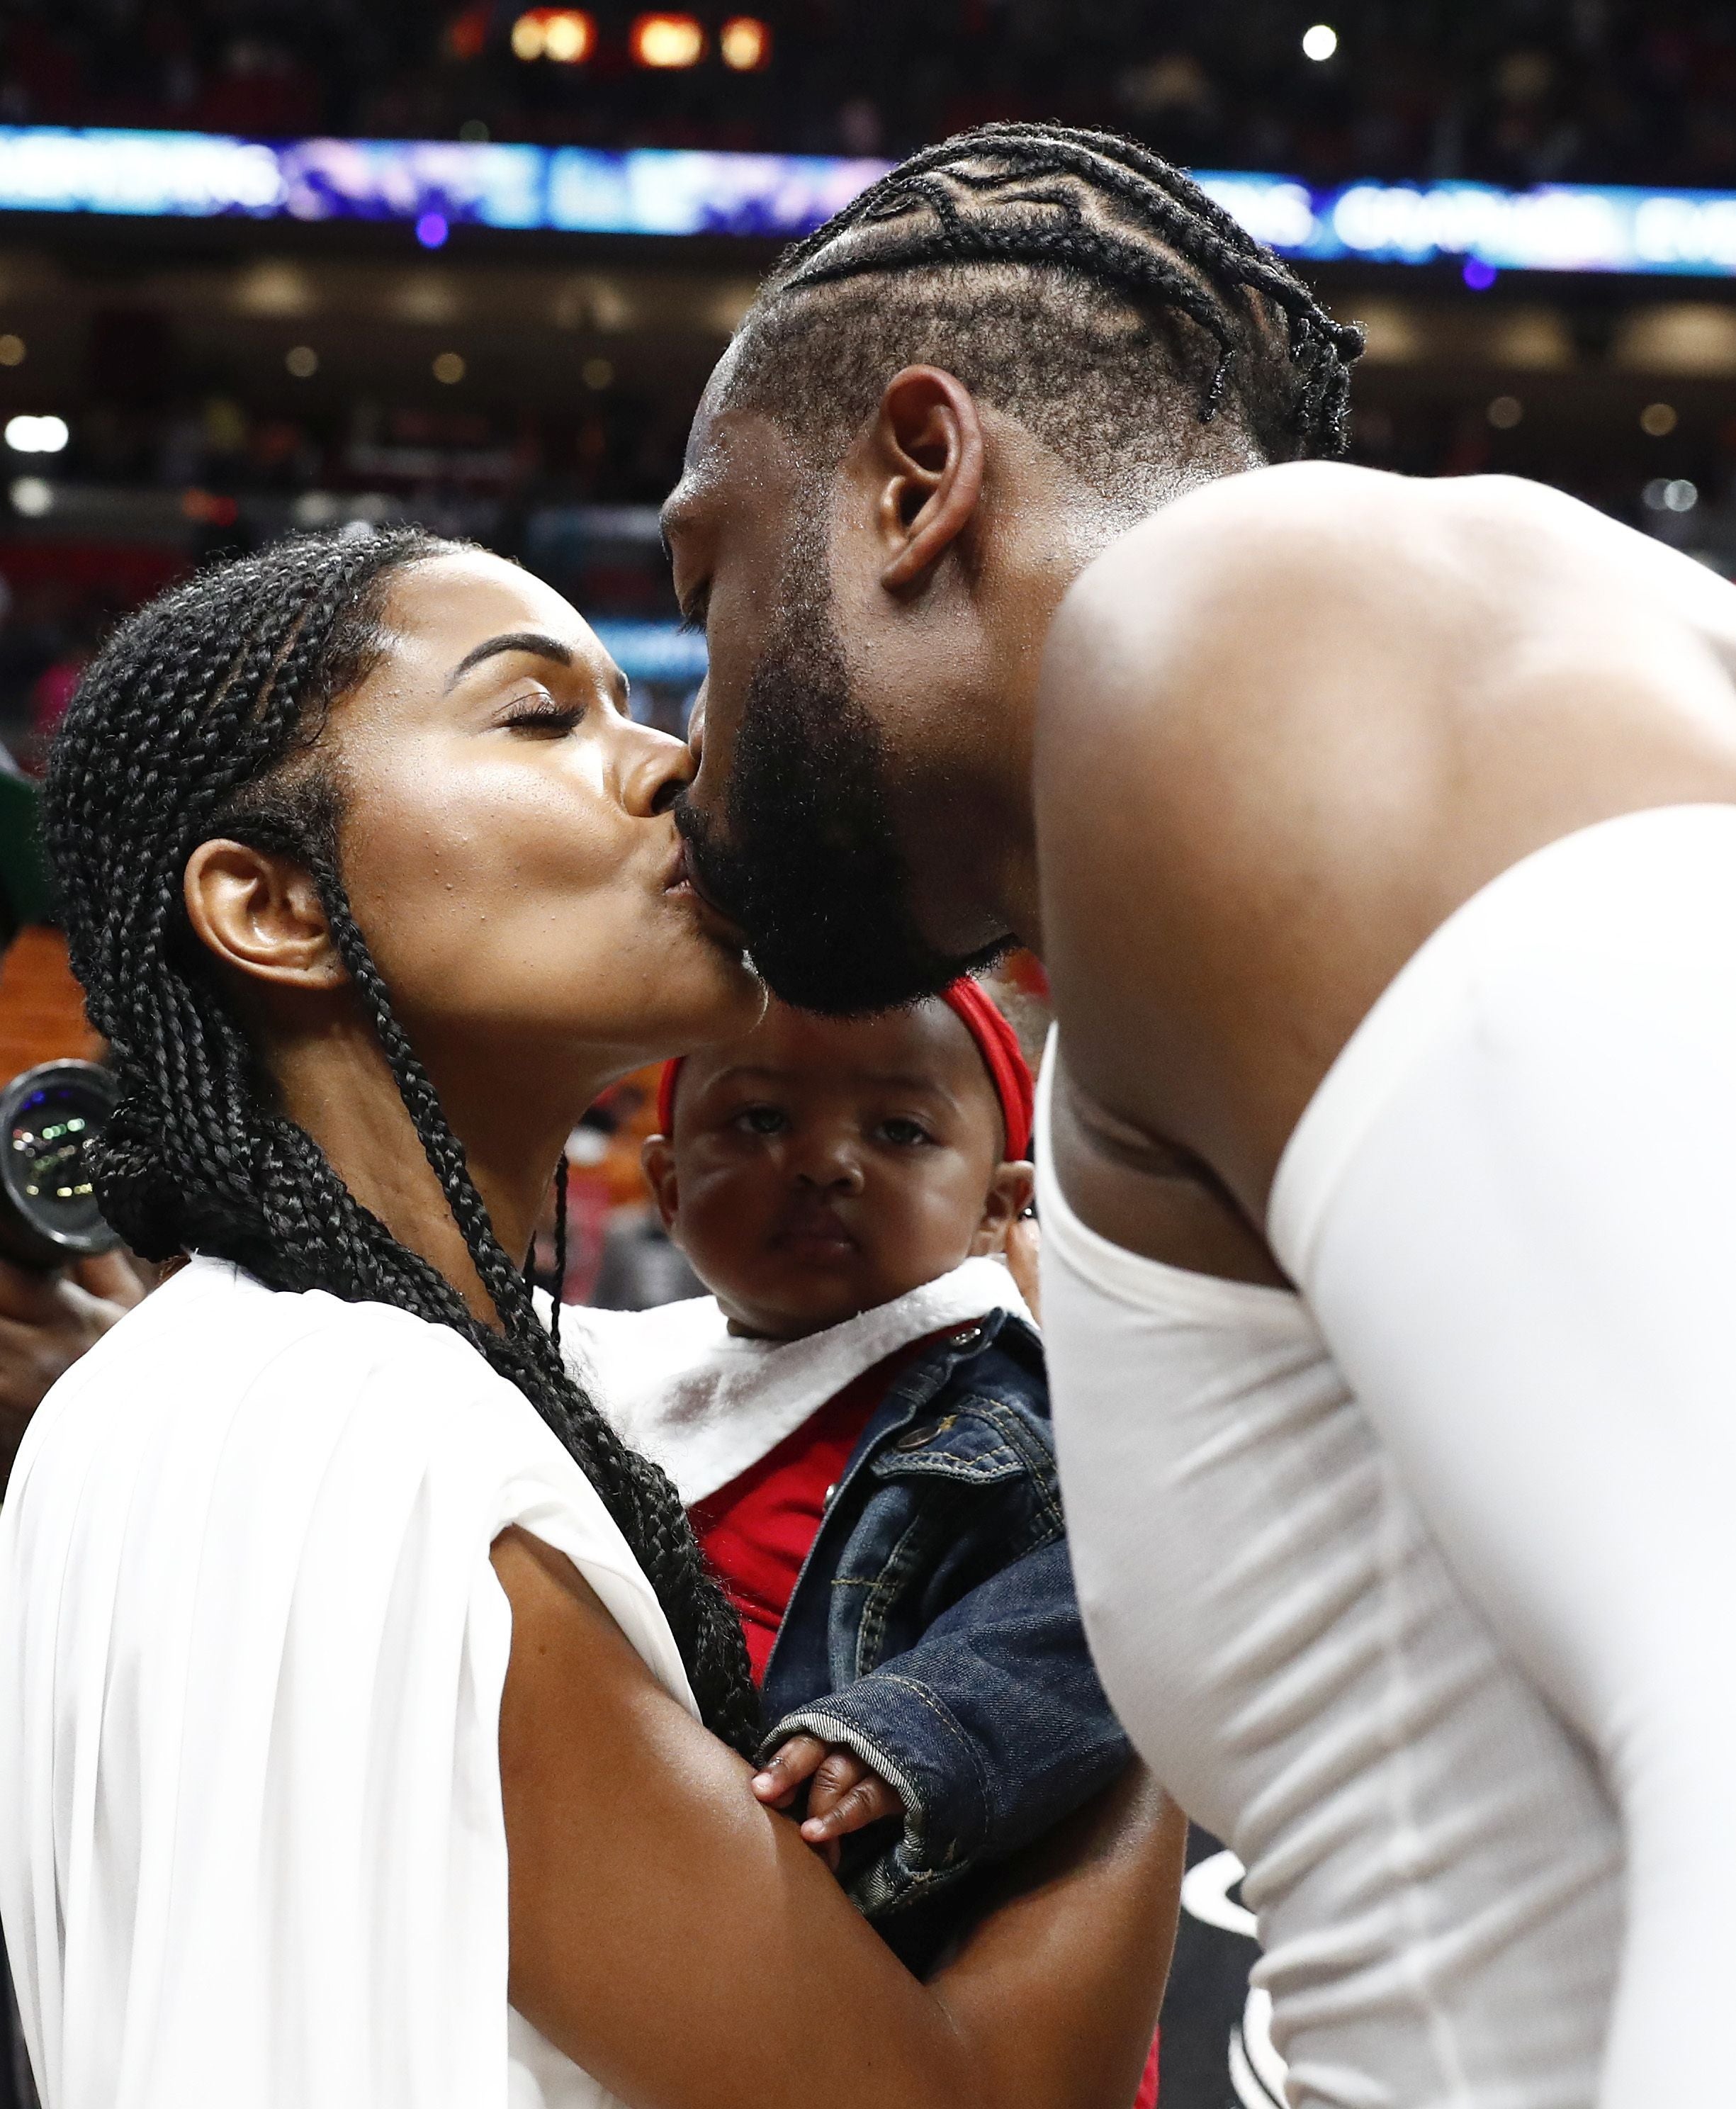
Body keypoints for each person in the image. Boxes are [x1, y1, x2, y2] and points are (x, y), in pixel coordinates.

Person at [663, 120, 1736, 2106]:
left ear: (916, 478)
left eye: (706, 575)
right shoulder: (1166, 936)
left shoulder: (1247, 619)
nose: (683, 755)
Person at [0, 528, 1185, 2108]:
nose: (671, 767)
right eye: (540, 716)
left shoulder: (188, 1386)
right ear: (272, 906)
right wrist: (1152, 1597)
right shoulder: (380, 1437)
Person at [575, 995, 1135, 1983]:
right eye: (758, 1120)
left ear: (999, 1209)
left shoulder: (1001, 1412)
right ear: (666, 1181)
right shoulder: (612, 1365)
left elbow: (1108, 1599)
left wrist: (914, 1732)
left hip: (896, 1975)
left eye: (900, 1131)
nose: (822, 1161)